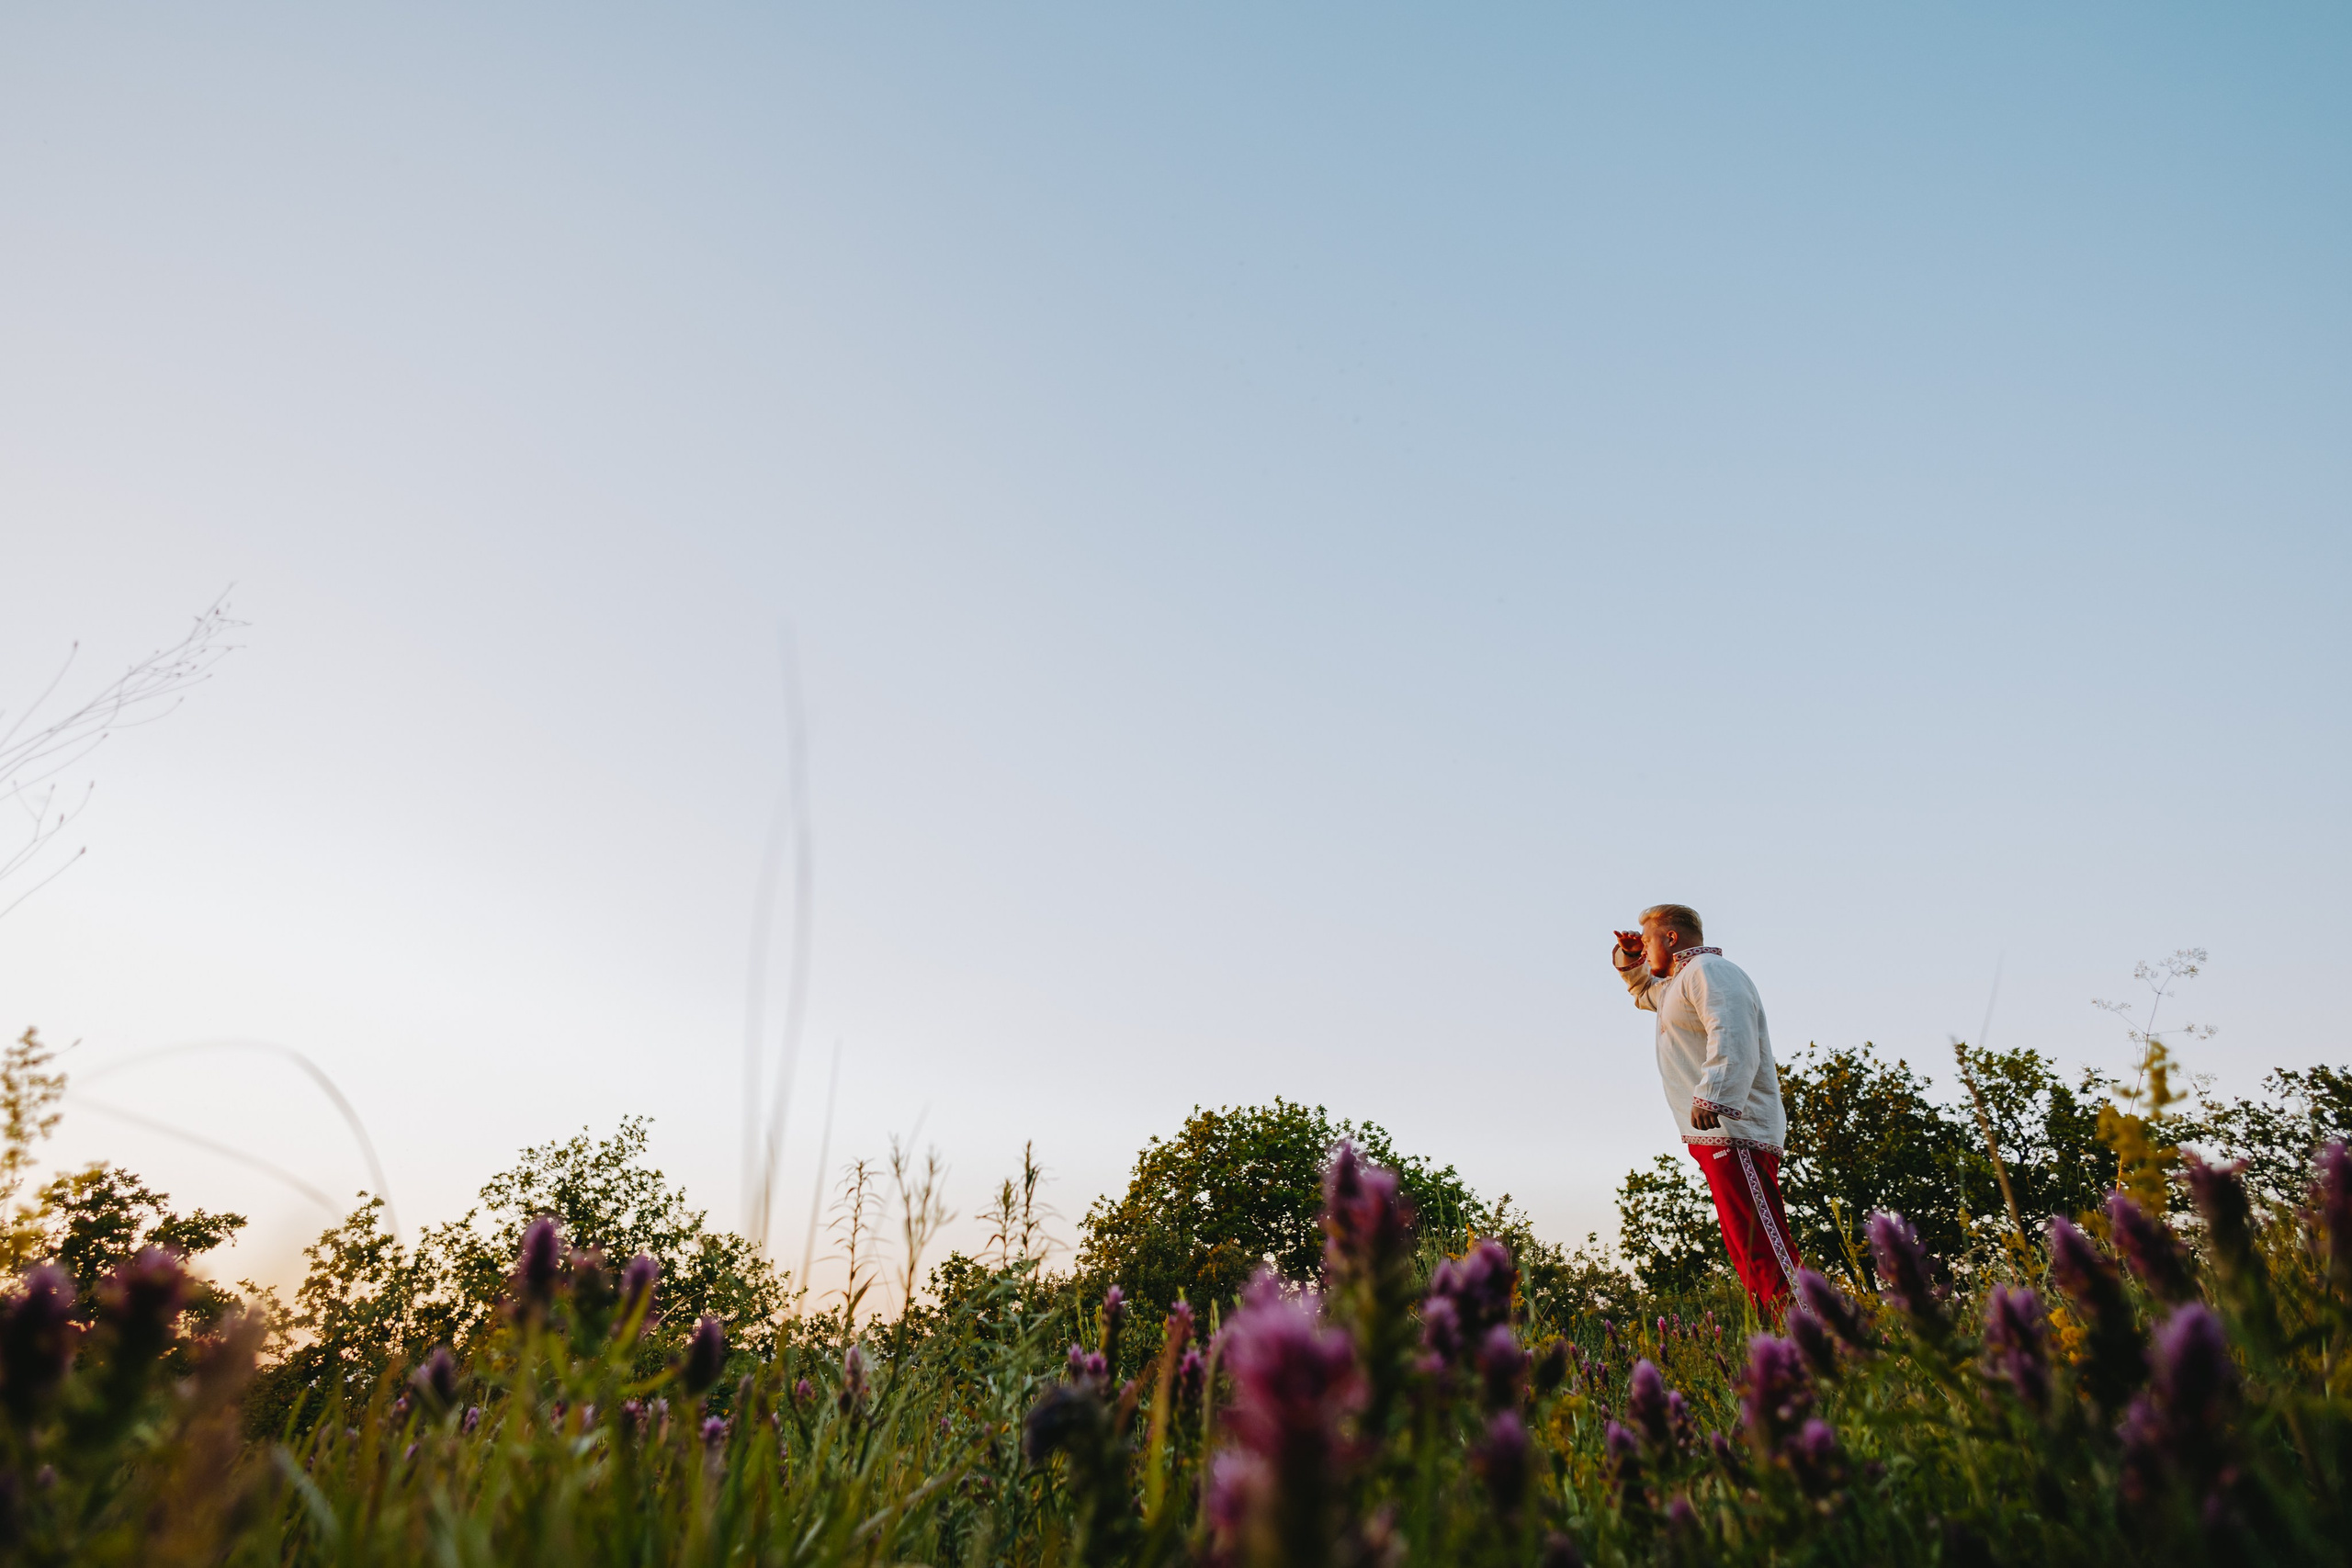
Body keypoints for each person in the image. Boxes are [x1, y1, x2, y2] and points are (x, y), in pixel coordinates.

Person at [1611, 904, 1801, 1310]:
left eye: (1647, 941)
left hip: (1736, 1128)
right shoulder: (1678, 982)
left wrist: (1713, 1095)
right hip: (1712, 1132)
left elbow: (1732, 1032)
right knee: (1743, 1245)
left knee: (1761, 1240)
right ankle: (1777, 1333)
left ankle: (1811, 1332)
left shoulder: (1710, 972)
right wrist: (1632, 958)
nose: (1644, 949)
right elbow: (1644, 993)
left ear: (1671, 938)